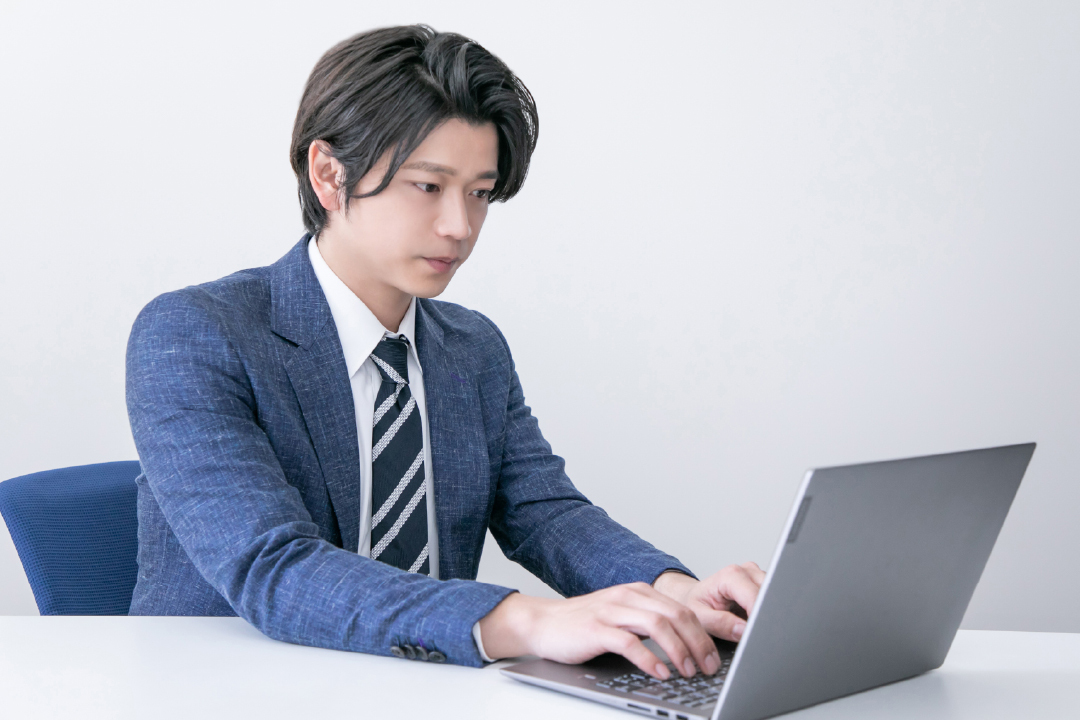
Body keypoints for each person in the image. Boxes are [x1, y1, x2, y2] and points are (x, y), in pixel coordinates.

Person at [126, 24, 764, 679]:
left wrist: (675, 594)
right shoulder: (196, 333)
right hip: (226, 690)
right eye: (428, 186)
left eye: (480, 193)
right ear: (329, 175)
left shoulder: (473, 349)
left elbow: (545, 514)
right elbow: (272, 568)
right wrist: (528, 621)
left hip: (427, 690)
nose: (460, 227)